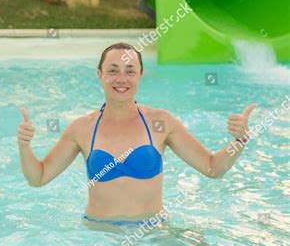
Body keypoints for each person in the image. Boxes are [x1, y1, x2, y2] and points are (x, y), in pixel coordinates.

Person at [17, 42, 257, 226]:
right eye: (113, 70)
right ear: (99, 74)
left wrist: (240, 140)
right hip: (100, 234)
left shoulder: (160, 123)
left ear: (140, 75)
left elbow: (212, 168)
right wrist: (24, 146)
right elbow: (38, 177)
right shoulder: (82, 128)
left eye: (130, 71)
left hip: (153, 231)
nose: (121, 79)